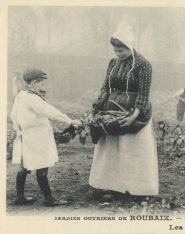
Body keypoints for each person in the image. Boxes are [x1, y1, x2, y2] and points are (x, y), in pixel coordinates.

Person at [89, 23, 159, 198]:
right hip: (111, 109)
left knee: (130, 150)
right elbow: (105, 88)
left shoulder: (143, 65)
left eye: (121, 51)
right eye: (115, 51)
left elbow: (143, 95)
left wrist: (132, 118)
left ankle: (135, 189)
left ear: (130, 46)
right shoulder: (112, 63)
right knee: (111, 149)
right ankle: (109, 185)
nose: (118, 54)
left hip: (133, 111)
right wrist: (96, 109)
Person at [10, 68, 82, 206]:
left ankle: (20, 197)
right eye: (42, 83)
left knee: (24, 166)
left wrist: (18, 129)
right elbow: (50, 112)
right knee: (42, 168)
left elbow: (13, 116)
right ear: (34, 83)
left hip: (26, 137)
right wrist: (70, 121)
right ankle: (49, 199)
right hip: (38, 138)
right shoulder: (32, 98)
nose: (44, 86)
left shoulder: (21, 95)